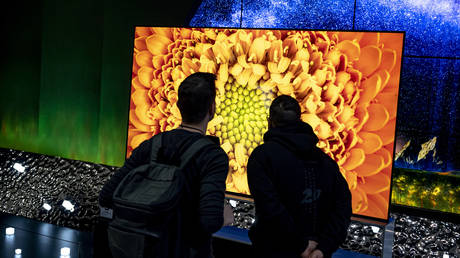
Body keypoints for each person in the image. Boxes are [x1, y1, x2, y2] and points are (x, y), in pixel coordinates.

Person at [99, 72, 233, 258]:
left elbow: (106, 197)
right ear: (212, 109)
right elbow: (209, 221)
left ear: (178, 106)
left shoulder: (151, 145)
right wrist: (224, 216)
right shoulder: (212, 156)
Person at [247, 95, 352, 258]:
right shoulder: (326, 162)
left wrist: (300, 245)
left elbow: (270, 209)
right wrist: (323, 248)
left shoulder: (262, 157)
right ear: (300, 120)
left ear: (270, 122)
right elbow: (343, 208)